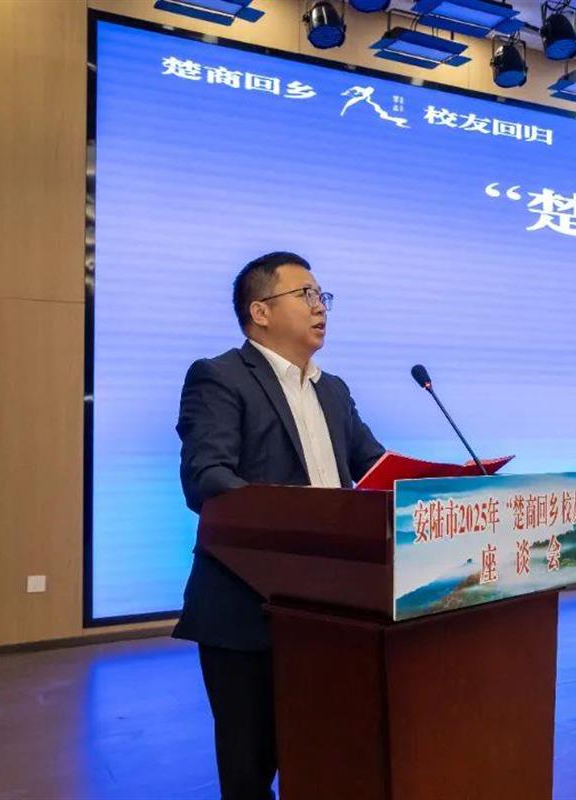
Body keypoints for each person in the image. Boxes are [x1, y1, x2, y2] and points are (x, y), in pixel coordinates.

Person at [173, 251, 385, 800]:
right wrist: (305, 519)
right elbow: (206, 476)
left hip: (333, 608)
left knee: (322, 755)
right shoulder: (220, 377)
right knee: (250, 770)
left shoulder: (333, 390)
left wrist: (445, 483)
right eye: (306, 295)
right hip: (246, 606)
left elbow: (376, 470)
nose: (320, 307)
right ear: (260, 311)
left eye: (322, 296)